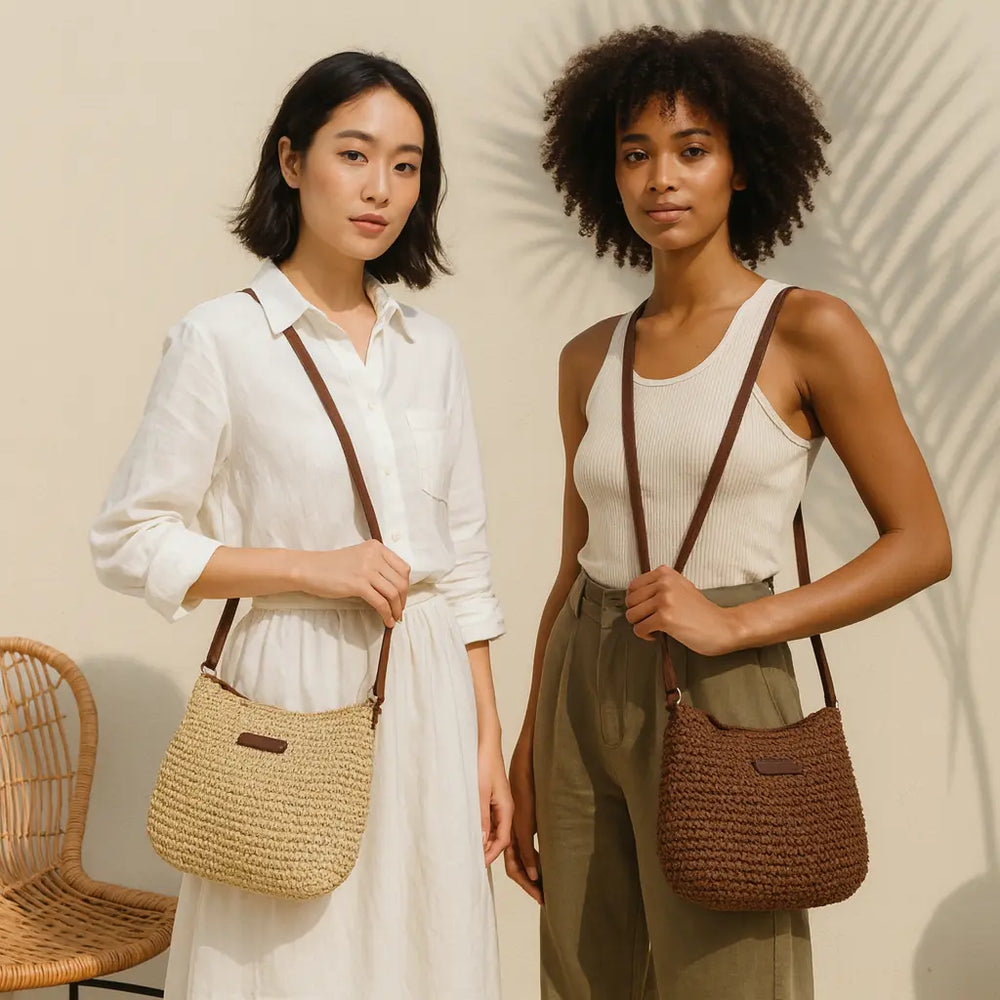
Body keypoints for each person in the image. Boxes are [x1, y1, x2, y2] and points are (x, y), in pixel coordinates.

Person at [504, 26, 951, 1000]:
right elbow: (572, 561)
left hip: (727, 680)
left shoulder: (806, 330)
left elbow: (922, 542)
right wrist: (529, 743)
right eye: (634, 153)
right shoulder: (589, 355)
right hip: (584, 671)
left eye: (691, 148)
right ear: (605, 172)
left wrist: (740, 620)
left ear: (742, 162)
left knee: (732, 979)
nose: (660, 177)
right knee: (584, 977)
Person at [90, 50, 510, 1000]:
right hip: (291, 682)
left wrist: (487, 738)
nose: (381, 188)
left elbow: (468, 561)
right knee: (289, 963)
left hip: (431, 689)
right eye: (353, 154)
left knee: (427, 950)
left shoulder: (431, 348)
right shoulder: (221, 339)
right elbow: (129, 538)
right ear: (291, 162)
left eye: (407, 165)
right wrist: (310, 569)